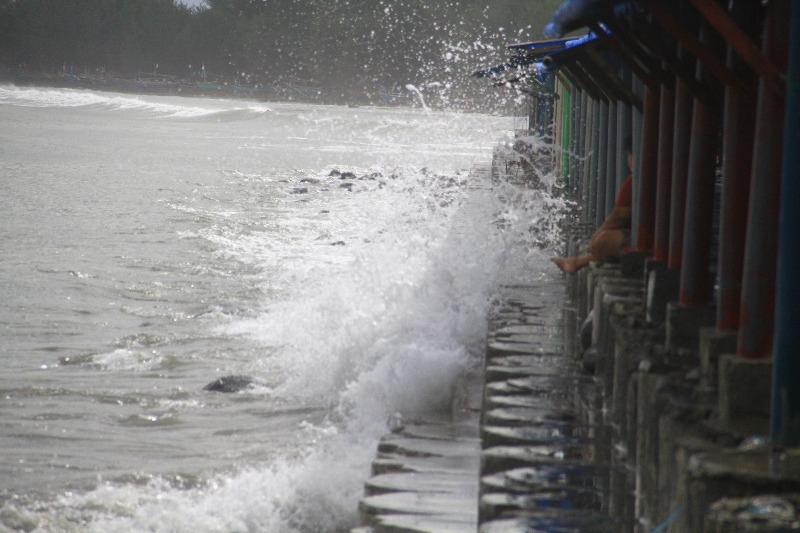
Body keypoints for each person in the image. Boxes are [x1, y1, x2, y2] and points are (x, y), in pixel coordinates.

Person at [551, 139, 633, 274]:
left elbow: (619, 216)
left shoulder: (635, 180)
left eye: (629, 156)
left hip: (648, 243)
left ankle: (575, 263)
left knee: (603, 242)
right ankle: (575, 262)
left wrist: (596, 236)